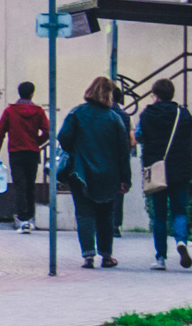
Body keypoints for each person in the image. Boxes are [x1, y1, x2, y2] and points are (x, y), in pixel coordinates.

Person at [57, 75, 135, 268]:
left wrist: (77, 150)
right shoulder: (114, 119)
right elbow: (123, 152)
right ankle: (107, 255)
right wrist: (125, 179)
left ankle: (88, 255)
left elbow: (63, 137)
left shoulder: (77, 113)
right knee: (106, 214)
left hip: (80, 171)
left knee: (84, 213)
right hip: (109, 174)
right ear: (109, 95)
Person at [136, 79, 192, 271]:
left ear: (155, 94)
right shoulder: (183, 114)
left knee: (160, 215)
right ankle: (181, 242)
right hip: (180, 169)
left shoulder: (147, 114)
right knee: (179, 210)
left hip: (156, 170)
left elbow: (139, 136)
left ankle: (160, 257)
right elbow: (191, 139)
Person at [0, 80, 50, 231]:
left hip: (16, 151)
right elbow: (47, 131)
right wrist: (36, 142)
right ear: (32, 93)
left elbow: (0, 132)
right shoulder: (38, 112)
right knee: (30, 185)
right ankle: (30, 217)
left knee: (20, 185)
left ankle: (21, 216)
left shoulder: (10, 111)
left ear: (19, 93)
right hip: (32, 152)